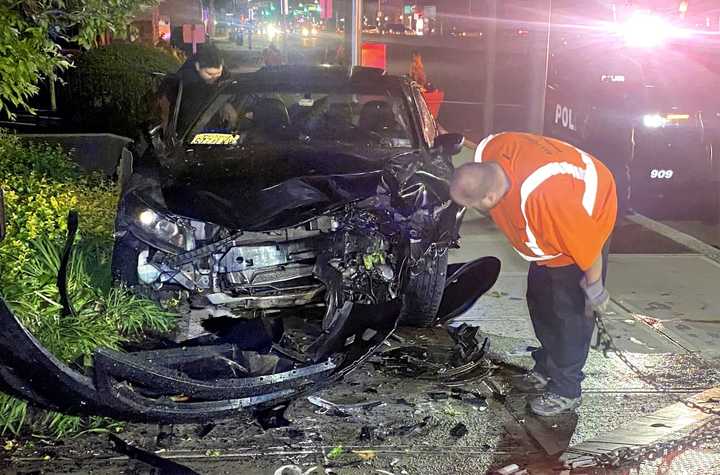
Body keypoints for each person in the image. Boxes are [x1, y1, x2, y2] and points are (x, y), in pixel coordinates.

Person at [449, 132, 617, 417]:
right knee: (540, 301)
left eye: (475, 204)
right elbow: (479, 146)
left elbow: (589, 250)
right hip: (553, 229)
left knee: (569, 316)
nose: (475, 209)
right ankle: (546, 365)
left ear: (490, 196)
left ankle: (566, 389)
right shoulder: (493, 150)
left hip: (585, 221)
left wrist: (596, 289)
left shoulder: (550, 199)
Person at [158, 44, 231, 135]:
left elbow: (229, 87)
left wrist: (226, 103)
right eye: (209, 74)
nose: (214, 78)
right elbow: (190, 118)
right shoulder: (187, 80)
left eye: (218, 73)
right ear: (197, 66)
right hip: (187, 124)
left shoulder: (224, 73)